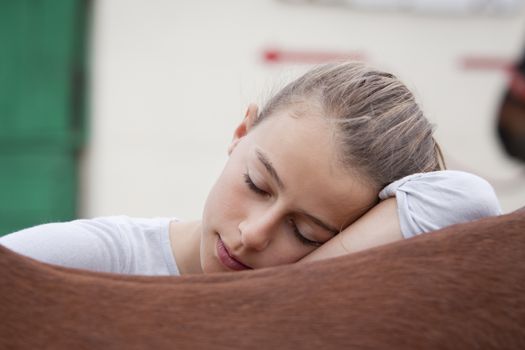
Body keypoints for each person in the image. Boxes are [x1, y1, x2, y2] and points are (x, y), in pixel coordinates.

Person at [0, 61, 501, 276]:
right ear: (240, 133)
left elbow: (466, 199)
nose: (253, 235)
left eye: (306, 232)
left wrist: (294, 287)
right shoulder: (99, 256)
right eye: (256, 184)